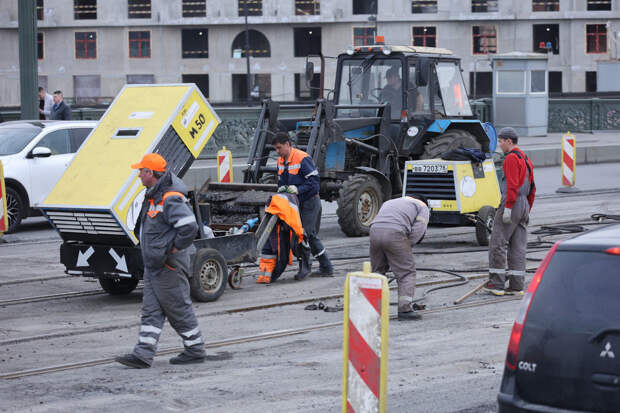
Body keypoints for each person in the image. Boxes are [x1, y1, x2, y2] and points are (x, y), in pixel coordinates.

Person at [116, 153, 206, 368]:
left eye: (141, 171)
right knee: (151, 311)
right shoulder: (154, 195)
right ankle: (143, 354)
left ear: (150, 173)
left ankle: (195, 348)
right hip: (155, 265)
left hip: (168, 265)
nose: (138, 175)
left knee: (178, 308)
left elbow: (189, 227)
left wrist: (172, 248)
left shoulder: (170, 197)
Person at [270, 131, 333, 280]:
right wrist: (282, 189)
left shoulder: (302, 158)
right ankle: (324, 267)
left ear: (287, 144)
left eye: (279, 148)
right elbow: (282, 182)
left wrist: (298, 189)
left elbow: (314, 183)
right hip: (296, 203)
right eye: (275, 149)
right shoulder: (281, 161)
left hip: (310, 201)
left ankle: (316, 267)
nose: (277, 152)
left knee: (305, 234)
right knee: (305, 235)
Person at [484, 127, 536, 296]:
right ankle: (516, 286)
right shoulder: (525, 158)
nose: (499, 145)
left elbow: (512, 186)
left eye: (500, 141)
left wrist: (508, 209)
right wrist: (526, 210)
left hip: (512, 203)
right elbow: (532, 188)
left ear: (508, 141)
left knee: (497, 243)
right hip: (524, 205)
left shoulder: (511, 159)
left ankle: (496, 284)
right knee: (518, 247)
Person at [369, 195, 429, 320]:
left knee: (377, 272)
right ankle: (405, 309)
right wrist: (407, 245)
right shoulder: (422, 207)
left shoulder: (391, 201)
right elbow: (419, 229)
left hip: (374, 231)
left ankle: (372, 308)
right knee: (406, 273)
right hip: (395, 233)